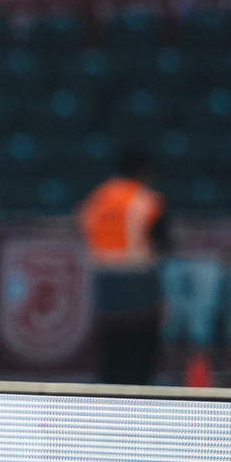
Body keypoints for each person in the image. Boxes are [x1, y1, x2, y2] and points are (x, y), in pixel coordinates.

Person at [81, 146, 171, 386]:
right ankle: (141, 399)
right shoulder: (146, 200)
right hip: (139, 280)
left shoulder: (97, 199)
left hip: (105, 281)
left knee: (112, 352)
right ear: (144, 171)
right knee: (142, 351)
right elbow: (164, 242)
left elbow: (85, 231)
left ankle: (110, 398)